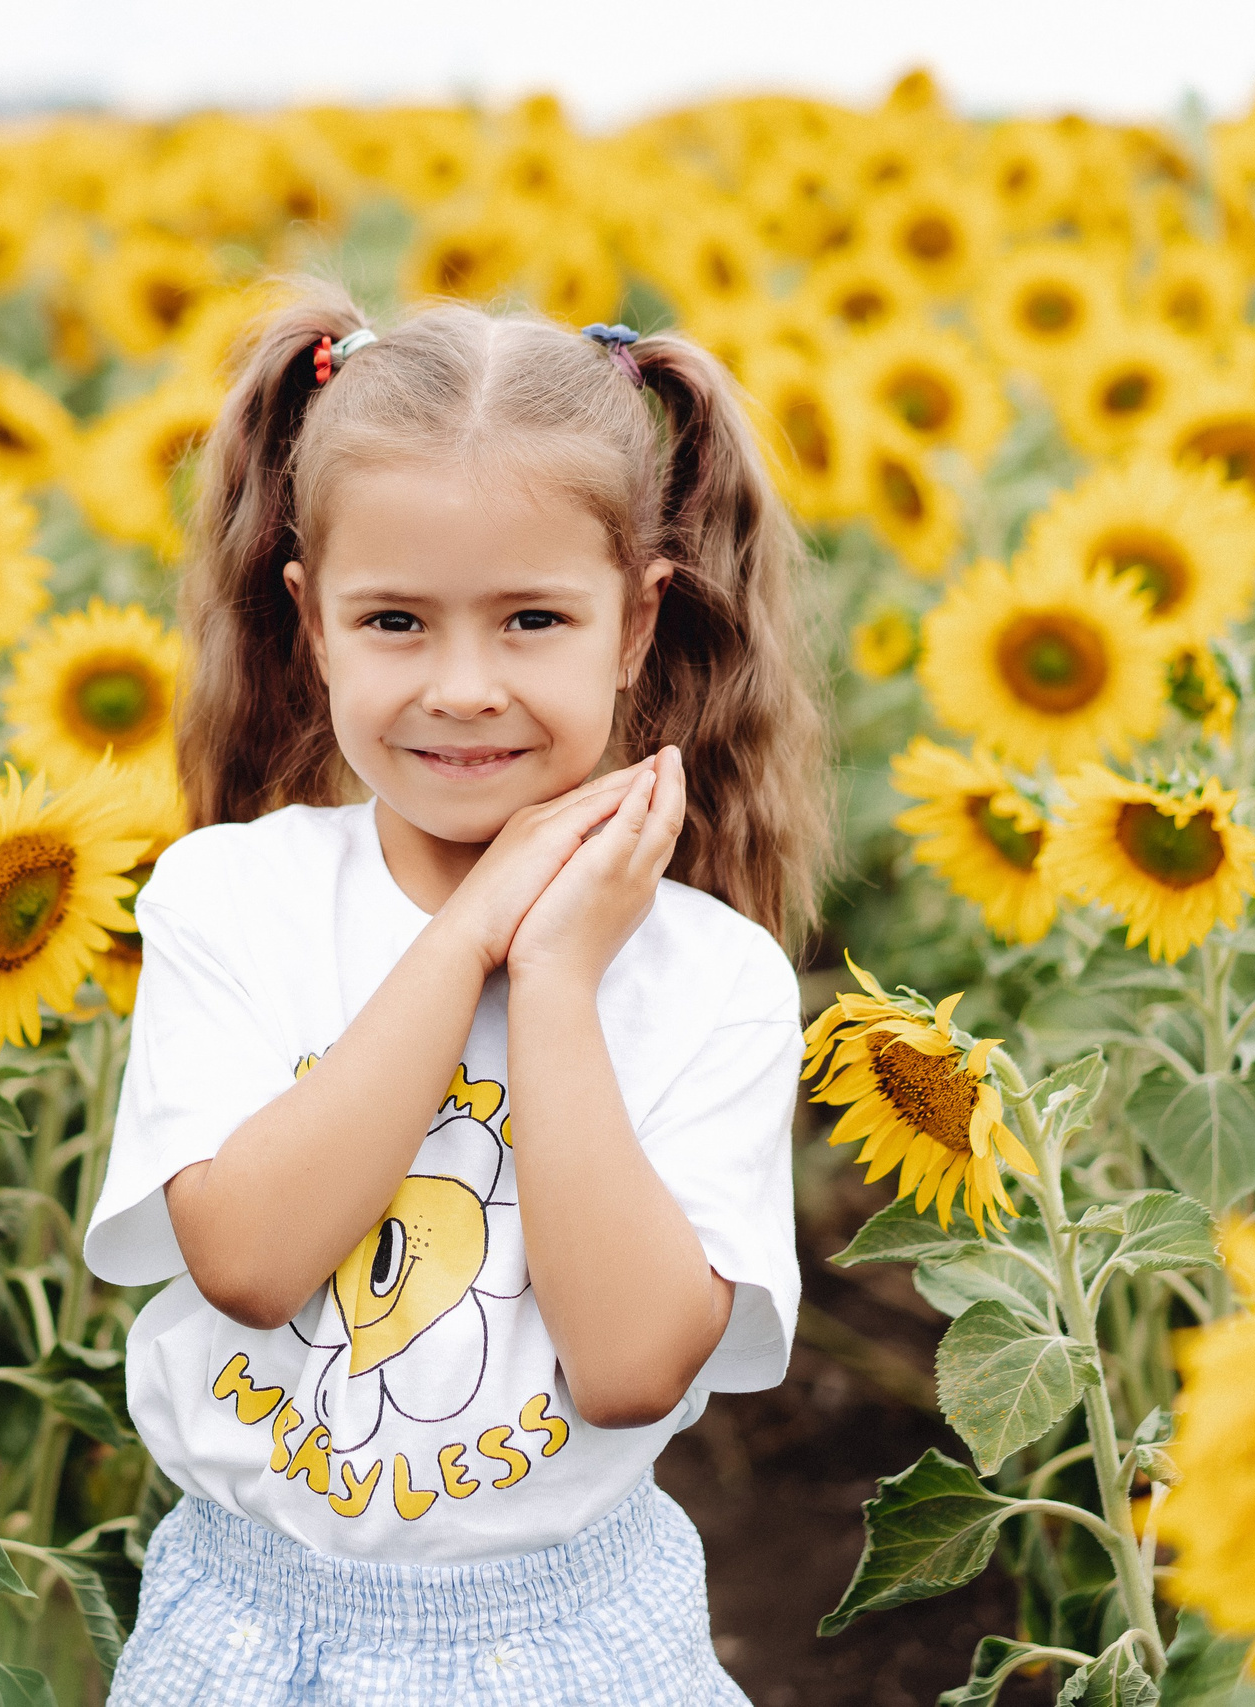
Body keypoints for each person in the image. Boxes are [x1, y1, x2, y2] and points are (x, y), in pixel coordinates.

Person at [83, 280, 831, 1705]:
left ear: (634, 626)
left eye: (535, 618)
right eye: (398, 623)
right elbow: (246, 1261)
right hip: (252, 1636)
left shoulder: (709, 980)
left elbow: (627, 1367)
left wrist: (552, 975)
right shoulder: (231, 902)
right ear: (312, 625)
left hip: (577, 1646)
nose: (466, 686)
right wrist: (473, 925)